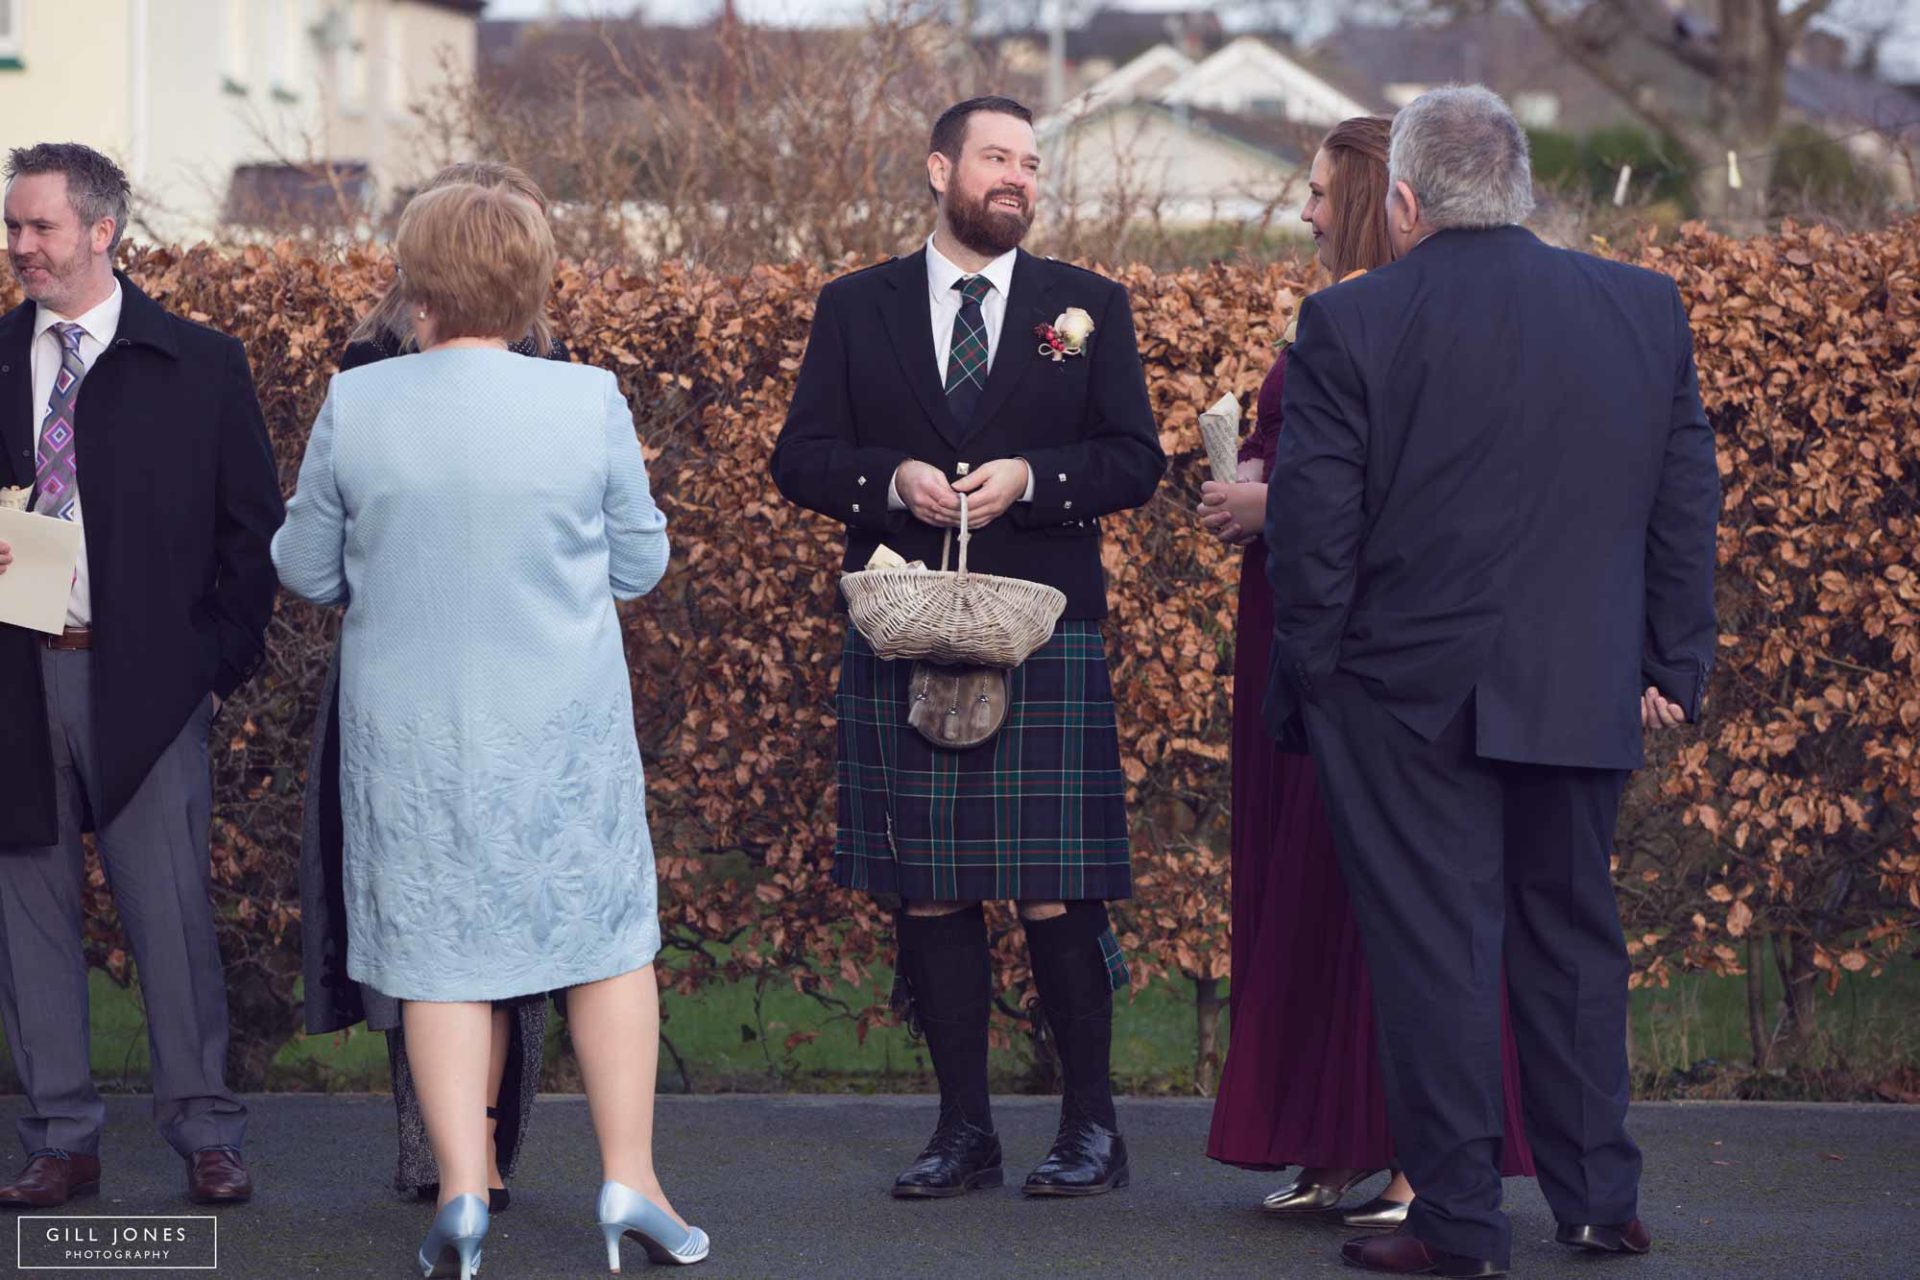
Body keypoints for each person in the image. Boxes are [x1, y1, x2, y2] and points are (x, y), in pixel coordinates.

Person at [1265, 87, 1718, 1276]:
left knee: (1436, 953)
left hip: (1398, 700)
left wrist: (1314, 678)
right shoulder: (1642, 306)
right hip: (1581, 682)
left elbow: (1316, 534)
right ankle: (1597, 1201)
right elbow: (1683, 503)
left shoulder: (1349, 321)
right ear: (1521, 189)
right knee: (1573, 943)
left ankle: (1461, 1224)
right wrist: (1671, 659)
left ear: (1404, 202)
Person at [273, 182, 707, 1277]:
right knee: (606, 945)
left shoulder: (356, 403)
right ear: (532, 281)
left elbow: (305, 567)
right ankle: (631, 1179)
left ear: (416, 279)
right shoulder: (587, 399)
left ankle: (464, 1193)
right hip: (560, 730)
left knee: (437, 955)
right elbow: (641, 564)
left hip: (414, 736)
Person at [771, 96, 1165, 1199]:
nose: (1018, 179)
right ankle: (964, 1130)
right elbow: (797, 457)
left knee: (1055, 886)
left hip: (1045, 626)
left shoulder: (1088, 306)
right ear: (939, 167)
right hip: (907, 632)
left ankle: (1093, 1127)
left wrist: (1036, 480)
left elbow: (1136, 459)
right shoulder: (857, 306)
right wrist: (888, 476)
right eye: (997, 158)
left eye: (1031, 164)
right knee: (931, 887)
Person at [1195, 116, 1536, 1229]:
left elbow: (1411, 490)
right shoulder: (1332, 316)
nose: (1301, 209)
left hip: (1366, 646)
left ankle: (1407, 1153)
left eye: (1315, 189)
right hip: (1287, 628)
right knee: (1305, 883)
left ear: (1376, 196)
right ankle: (1334, 1134)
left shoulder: (1403, 323)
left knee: (1381, 895)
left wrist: (1266, 499)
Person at [0, 143, 282, 1207]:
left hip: (151, 689)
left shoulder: (199, 363)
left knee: (171, 915)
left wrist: (208, 668)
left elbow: (252, 540)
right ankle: (60, 1139)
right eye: (13, 226)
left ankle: (206, 1131)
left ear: (102, 231)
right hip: (16, 684)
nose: (21, 246)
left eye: (41, 228)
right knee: (26, 922)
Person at [300, 160, 568, 1214]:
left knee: (516, 921)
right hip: (406, 677)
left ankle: (494, 1145)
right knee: (413, 918)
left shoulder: (555, 367)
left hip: (520, 679)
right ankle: (434, 1146)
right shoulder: (368, 368)